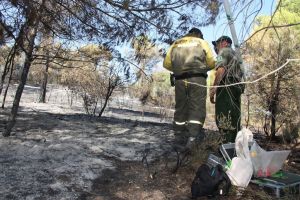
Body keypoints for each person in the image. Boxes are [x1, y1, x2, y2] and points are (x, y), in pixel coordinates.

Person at [163, 28, 215, 148]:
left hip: (180, 80)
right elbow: (212, 63)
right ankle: (193, 137)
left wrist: (179, 69)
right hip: (197, 79)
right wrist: (201, 68)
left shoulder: (176, 43)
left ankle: (178, 136)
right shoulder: (201, 42)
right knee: (196, 107)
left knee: (180, 107)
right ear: (199, 35)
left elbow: (166, 64)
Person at [209, 36, 244, 143]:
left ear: (224, 42)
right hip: (237, 86)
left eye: (217, 44)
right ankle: (233, 144)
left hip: (226, 86)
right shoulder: (237, 55)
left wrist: (214, 88)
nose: (216, 48)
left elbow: (221, 69)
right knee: (234, 116)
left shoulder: (224, 51)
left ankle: (225, 143)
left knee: (224, 115)